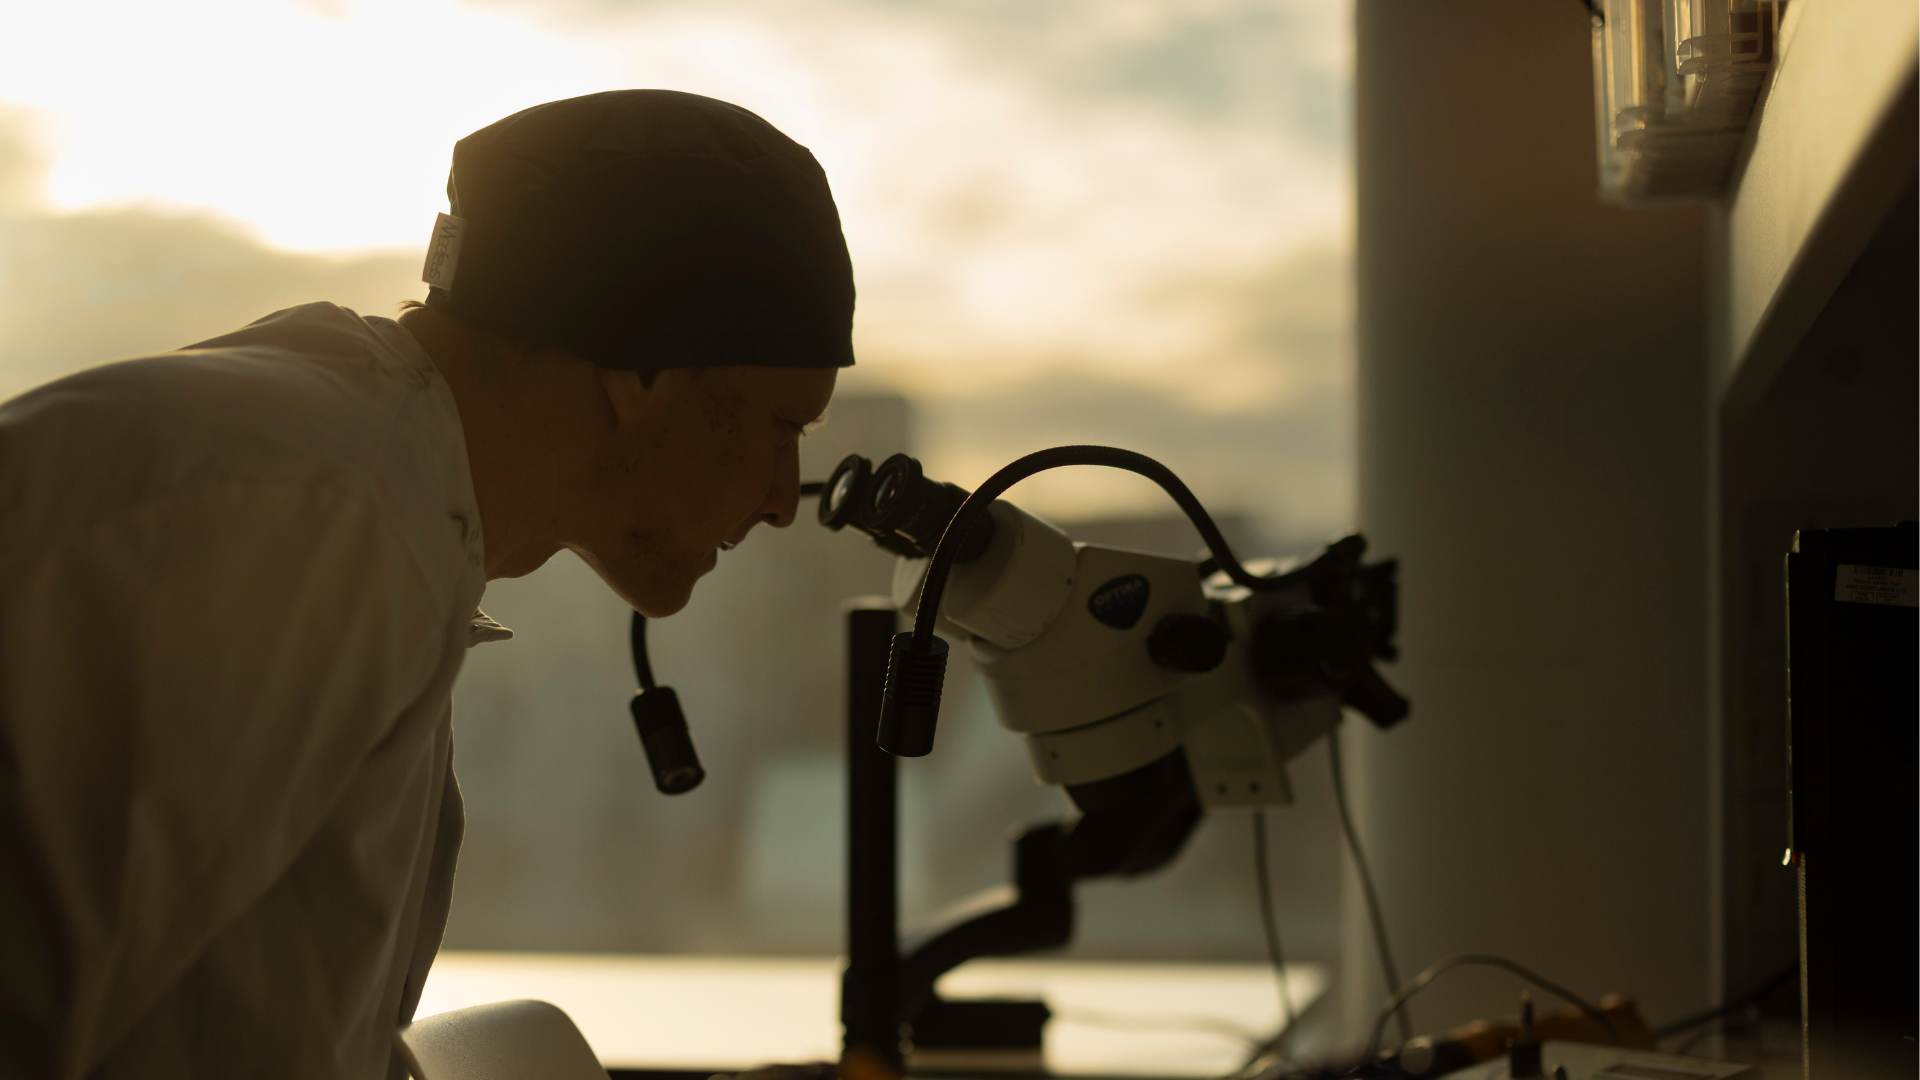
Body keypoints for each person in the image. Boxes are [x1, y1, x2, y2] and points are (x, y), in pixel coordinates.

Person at [0, 90, 851, 1080]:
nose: (784, 498)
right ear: (644, 367)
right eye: (781, 428)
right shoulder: (306, 521)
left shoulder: (372, 507)